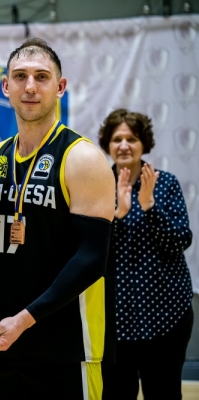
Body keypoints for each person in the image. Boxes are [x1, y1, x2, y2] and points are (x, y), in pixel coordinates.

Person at [0, 38, 116, 400]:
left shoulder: (82, 158)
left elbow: (91, 259)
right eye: (20, 76)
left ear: (60, 87)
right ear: (6, 87)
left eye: (41, 76)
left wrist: (24, 320)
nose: (30, 86)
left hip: (64, 348)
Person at [98, 109, 194, 400]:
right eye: (117, 139)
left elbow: (180, 240)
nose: (124, 145)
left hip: (167, 314)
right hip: (114, 319)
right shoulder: (97, 186)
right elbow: (90, 251)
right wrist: (117, 215)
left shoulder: (165, 183)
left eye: (132, 139)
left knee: (164, 392)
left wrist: (149, 206)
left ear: (144, 144)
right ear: (108, 144)